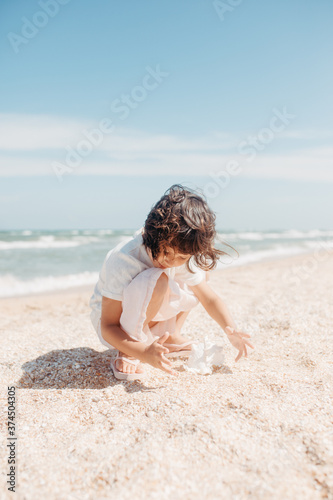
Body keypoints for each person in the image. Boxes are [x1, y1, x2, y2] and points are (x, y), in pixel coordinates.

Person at [89, 184, 254, 381]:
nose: (170, 261)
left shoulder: (180, 249)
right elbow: (108, 325)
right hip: (116, 326)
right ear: (153, 234)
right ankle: (129, 350)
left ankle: (171, 334)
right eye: (165, 251)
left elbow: (208, 298)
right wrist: (141, 352)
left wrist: (231, 329)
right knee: (160, 279)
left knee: (200, 274)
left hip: (148, 311)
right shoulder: (124, 259)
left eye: (181, 257)